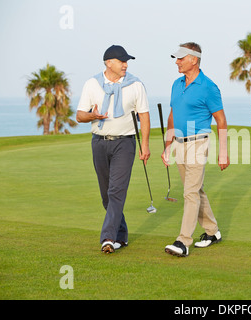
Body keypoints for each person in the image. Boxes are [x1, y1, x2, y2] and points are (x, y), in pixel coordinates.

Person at [76, 45, 151, 254]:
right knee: (106, 196)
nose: (125, 65)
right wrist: (94, 116)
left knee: (116, 191)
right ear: (109, 63)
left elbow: (144, 116)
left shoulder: (136, 85)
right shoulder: (92, 84)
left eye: (127, 61)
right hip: (99, 142)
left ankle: (108, 238)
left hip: (124, 143)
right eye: (121, 61)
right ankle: (122, 234)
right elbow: (80, 115)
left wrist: (145, 145)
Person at [163, 42, 230, 257]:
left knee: (190, 193)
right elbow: (173, 115)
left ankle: (183, 242)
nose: (177, 62)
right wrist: (167, 144)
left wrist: (223, 152)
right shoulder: (176, 84)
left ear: (194, 59)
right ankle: (212, 231)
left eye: (181, 58)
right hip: (179, 144)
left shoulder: (208, 87)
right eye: (177, 58)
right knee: (196, 190)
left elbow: (220, 120)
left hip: (198, 143)